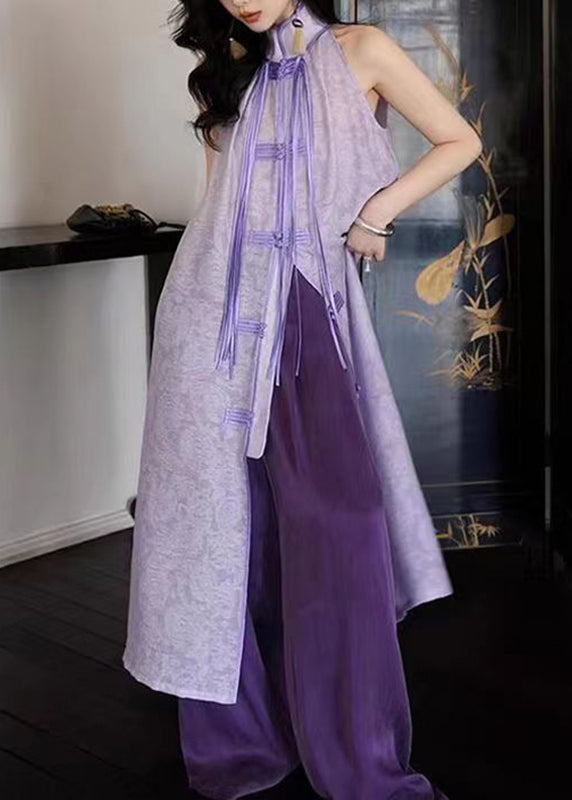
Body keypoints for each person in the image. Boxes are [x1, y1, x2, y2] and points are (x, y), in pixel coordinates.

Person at [122, 1, 482, 797]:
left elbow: (461, 141)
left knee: (339, 525)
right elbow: (217, 204)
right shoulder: (227, 70)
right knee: (223, 534)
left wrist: (375, 212)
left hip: (304, 306)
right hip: (209, 317)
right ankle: (242, 740)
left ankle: (358, 758)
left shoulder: (363, 49)